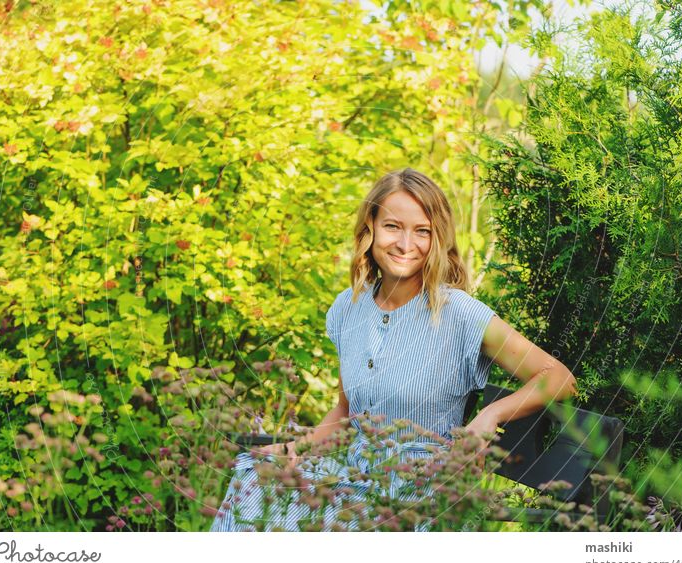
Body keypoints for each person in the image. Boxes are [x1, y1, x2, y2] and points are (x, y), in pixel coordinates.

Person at [210, 168, 578, 532]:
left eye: (422, 231)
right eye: (392, 227)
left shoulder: (459, 313)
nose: (406, 244)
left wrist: (490, 416)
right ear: (369, 228)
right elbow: (345, 411)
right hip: (352, 481)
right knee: (253, 477)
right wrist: (294, 450)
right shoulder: (348, 308)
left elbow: (558, 378)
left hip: (419, 493)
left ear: (437, 239)